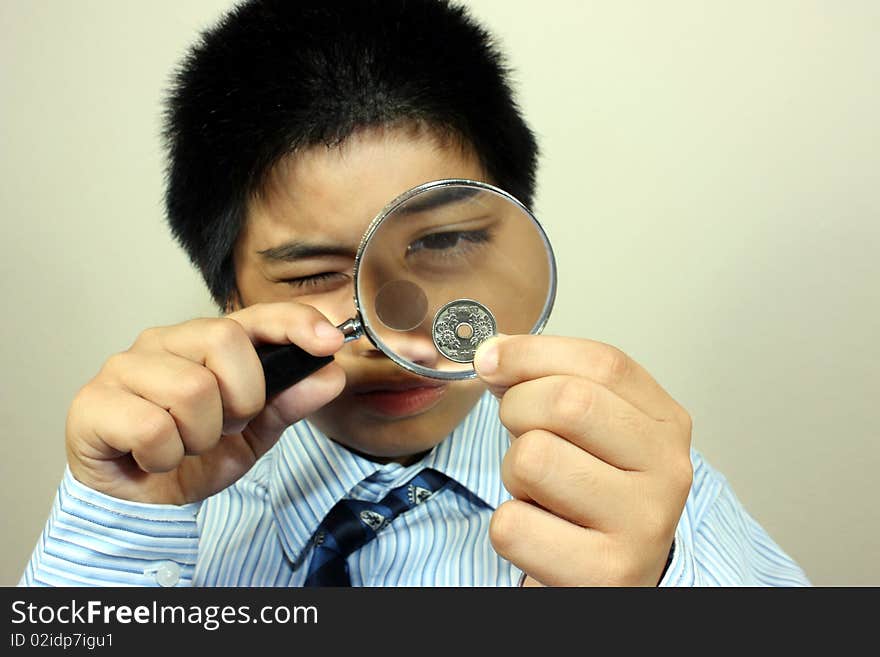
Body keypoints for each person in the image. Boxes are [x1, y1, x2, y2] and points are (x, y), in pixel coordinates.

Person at [21, 0, 808, 587]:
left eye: (445, 242)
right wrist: (122, 525)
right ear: (230, 294)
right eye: (313, 274)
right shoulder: (150, 498)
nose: (405, 326)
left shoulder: (645, 494)